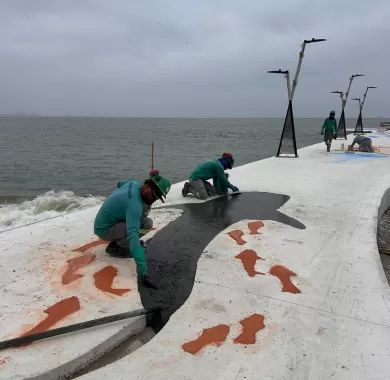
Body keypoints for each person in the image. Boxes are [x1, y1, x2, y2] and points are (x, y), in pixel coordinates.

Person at [94, 170, 171, 288]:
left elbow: (120, 183)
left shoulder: (134, 183)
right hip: (104, 230)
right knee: (143, 226)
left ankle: (120, 241)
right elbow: (133, 235)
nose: (153, 200)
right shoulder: (134, 206)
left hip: (108, 221)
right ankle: (118, 247)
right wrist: (143, 271)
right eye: (154, 197)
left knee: (146, 221)